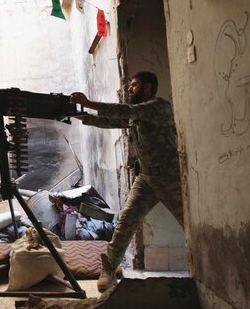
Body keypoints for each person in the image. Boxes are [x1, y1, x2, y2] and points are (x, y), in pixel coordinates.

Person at [70, 71, 184, 292]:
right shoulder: (137, 115)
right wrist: (80, 115)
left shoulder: (157, 107)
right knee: (125, 223)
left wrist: (88, 102)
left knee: (189, 223)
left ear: (148, 87)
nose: (130, 89)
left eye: (135, 85)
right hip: (147, 178)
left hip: (170, 176)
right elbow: (112, 121)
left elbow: (125, 111)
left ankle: (208, 268)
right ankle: (109, 269)